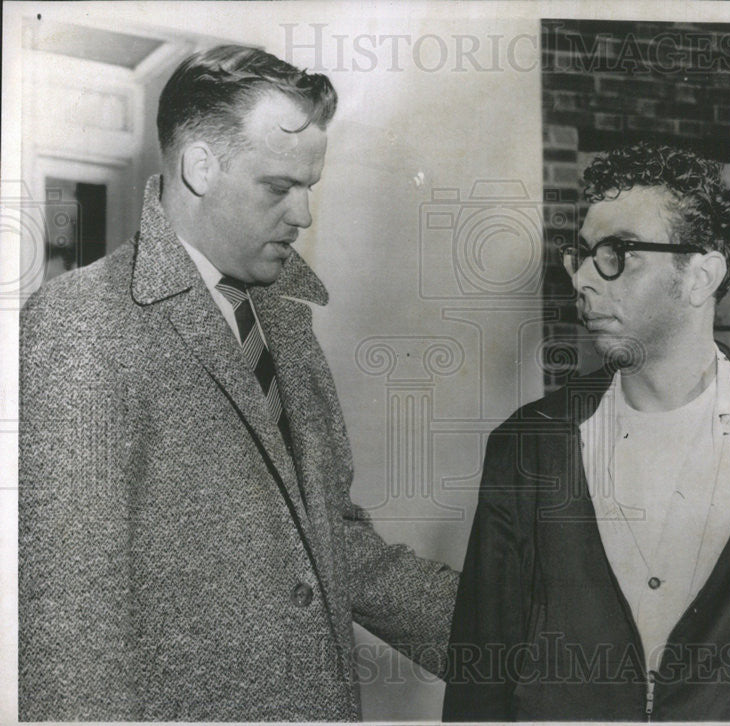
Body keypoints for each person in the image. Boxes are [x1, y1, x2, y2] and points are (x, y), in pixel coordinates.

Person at [19, 45, 458, 721]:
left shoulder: (283, 322)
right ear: (200, 167)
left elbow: (330, 541)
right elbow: (72, 628)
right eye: (279, 187)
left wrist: (517, 634)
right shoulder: (82, 323)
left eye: (310, 187)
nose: (304, 216)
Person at [444, 141, 730, 722]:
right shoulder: (528, 447)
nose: (584, 283)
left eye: (618, 253)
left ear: (701, 276)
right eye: (581, 255)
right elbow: (482, 683)